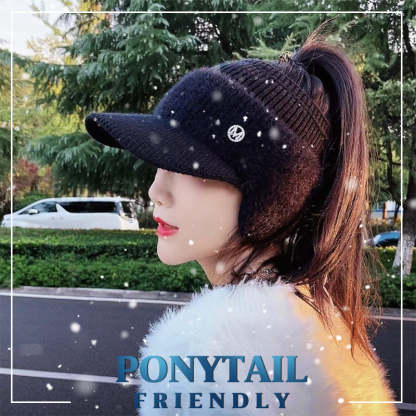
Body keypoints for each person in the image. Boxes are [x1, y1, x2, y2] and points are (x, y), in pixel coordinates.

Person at [85, 23, 398, 416]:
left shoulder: (217, 356)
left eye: (185, 166)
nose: (156, 191)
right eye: (159, 164)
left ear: (270, 195)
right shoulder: (313, 324)